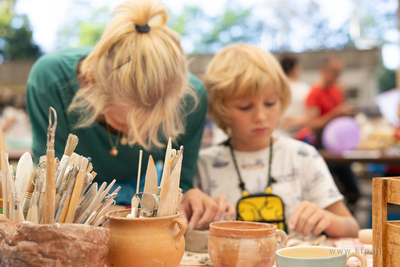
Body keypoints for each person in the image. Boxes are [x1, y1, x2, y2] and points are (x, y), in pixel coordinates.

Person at [25, 0, 234, 230]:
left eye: (157, 123)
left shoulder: (191, 97)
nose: (138, 137)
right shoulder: (51, 80)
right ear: (91, 82)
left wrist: (189, 200)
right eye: (124, 122)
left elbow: (180, 188)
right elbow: (54, 193)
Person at [195, 43, 359, 237]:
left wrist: (327, 219)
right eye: (245, 107)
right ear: (221, 110)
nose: (261, 117)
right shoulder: (203, 166)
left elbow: (352, 228)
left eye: (270, 103)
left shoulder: (303, 156)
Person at [305, 55, 360, 206]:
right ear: (323, 70)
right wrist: (335, 114)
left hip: (340, 149)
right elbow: (312, 124)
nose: (338, 76)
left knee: (353, 190)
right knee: (329, 193)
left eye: (340, 72)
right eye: (335, 71)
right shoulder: (314, 93)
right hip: (323, 149)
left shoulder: (336, 90)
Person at [277, 55, 310, 137]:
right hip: (300, 131)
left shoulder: (276, 89)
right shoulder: (306, 89)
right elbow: (310, 115)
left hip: (281, 130)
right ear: (295, 69)